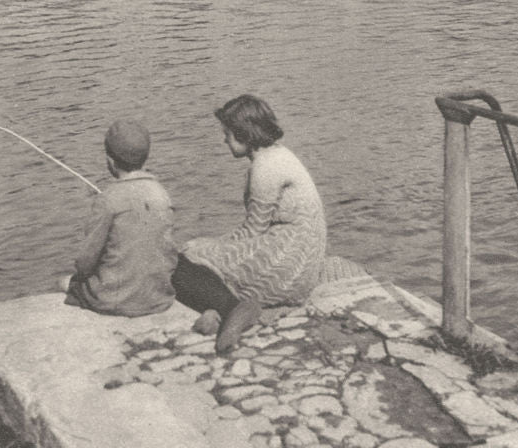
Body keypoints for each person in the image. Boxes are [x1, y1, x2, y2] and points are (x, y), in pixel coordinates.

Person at [172, 95, 327, 354]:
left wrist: (204, 246)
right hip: (302, 258)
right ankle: (220, 311)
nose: (224, 140)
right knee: (204, 258)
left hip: (287, 262)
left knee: (181, 262)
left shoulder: (265, 168)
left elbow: (252, 231)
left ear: (243, 133)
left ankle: (231, 309)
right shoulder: (280, 155)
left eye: (227, 134)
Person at [63, 119, 177, 317]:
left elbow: (84, 264)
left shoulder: (108, 199)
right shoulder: (161, 193)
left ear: (110, 160)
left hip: (114, 300)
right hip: (158, 298)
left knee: (64, 282)